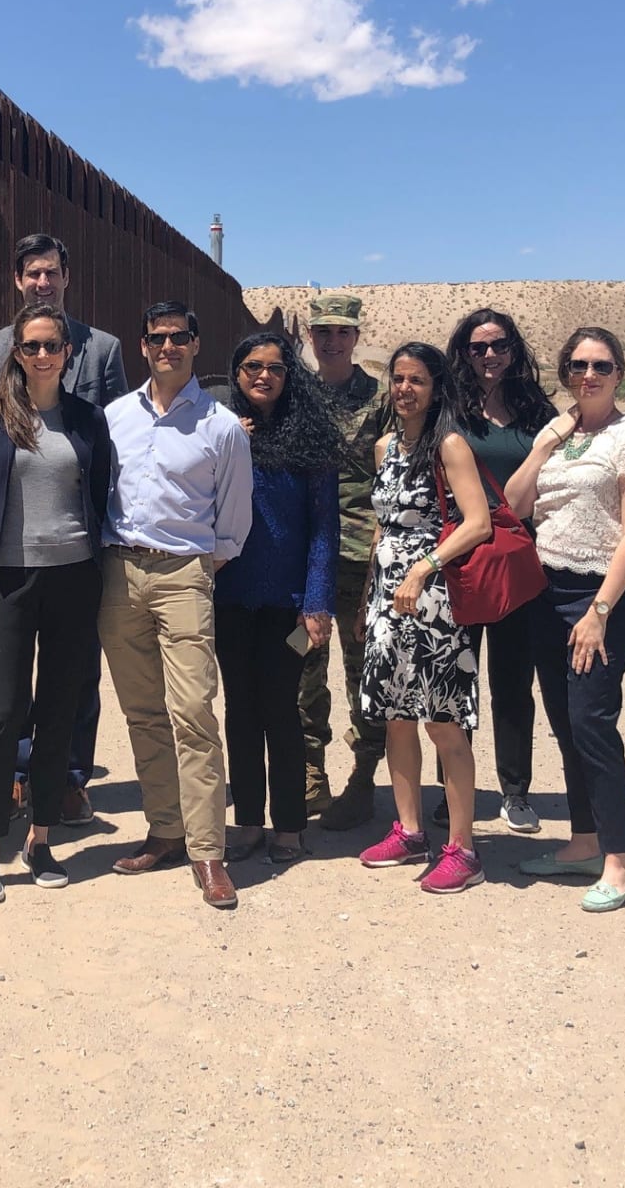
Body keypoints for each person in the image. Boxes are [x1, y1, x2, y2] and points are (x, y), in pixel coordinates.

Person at [0, 233, 128, 821]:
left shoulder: (102, 348)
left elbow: (116, 435)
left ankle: (69, 779)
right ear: (18, 280)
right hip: (12, 550)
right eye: (32, 273)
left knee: (76, 678)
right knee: (8, 686)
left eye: (51, 272)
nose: (42, 282)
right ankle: (14, 776)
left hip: (74, 550)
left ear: (66, 277)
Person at [503, 328, 625, 912]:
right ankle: (584, 842)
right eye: (577, 365)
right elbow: (515, 504)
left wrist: (599, 612)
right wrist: (543, 444)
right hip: (547, 591)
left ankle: (619, 863)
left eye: (600, 365)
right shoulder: (558, 433)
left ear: (619, 372)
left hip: (600, 595)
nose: (588, 375)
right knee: (566, 722)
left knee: (593, 722)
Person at [0, 307, 111, 903]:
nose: (42, 355)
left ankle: (40, 837)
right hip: (9, 580)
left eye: (51, 345)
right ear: (16, 353)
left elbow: (100, 498)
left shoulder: (87, 418)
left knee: (60, 709)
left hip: (74, 578)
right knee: (3, 711)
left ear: (68, 352)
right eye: (31, 346)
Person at [102, 302, 252, 909]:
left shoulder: (221, 426)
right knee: (142, 711)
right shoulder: (115, 416)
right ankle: (165, 830)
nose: (168, 346)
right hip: (119, 572)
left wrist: (197, 568)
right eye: (157, 337)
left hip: (184, 574)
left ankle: (208, 850)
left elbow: (233, 520)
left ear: (195, 343)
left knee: (192, 710)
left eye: (179, 337)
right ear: (142, 345)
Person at [356, 344, 496, 893]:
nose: (405, 389)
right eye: (398, 378)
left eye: (417, 380)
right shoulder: (385, 446)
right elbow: (383, 527)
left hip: (436, 601)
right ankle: (410, 830)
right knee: (395, 717)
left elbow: (478, 523)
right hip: (388, 601)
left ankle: (464, 849)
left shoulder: (450, 445)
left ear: (436, 387)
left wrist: (424, 568)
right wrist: (370, 598)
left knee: (443, 721)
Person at [215, 334, 339, 865]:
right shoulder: (220, 431)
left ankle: (288, 825)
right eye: (252, 366)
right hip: (229, 599)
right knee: (240, 709)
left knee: (283, 708)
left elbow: (324, 529)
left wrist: (318, 602)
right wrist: (227, 444)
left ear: (291, 377)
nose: (263, 376)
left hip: (289, 605)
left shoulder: (312, 439)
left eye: (275, 368)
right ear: (236, 372)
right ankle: (247, 821)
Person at [443, 308, 558, 835]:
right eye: (478, 347)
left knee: (513, 682)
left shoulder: (537, 411)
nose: (489, 355)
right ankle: (457, 790)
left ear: (514, 349)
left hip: (517, 564)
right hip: (462, 561)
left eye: (499, 345)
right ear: (463, 353)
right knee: (456, 680)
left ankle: (515, 791)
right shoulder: (450, 409)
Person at [303, 293, 396, 831]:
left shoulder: (381, 398)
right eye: (323, 331)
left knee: (366, 673)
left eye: (342, 332)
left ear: (356, 337)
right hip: (307, 557)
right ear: (311, 336)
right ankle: (310, 771)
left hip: (364, 559)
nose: (332, 341)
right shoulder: (296, 392)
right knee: (302, 669)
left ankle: (364, 777)